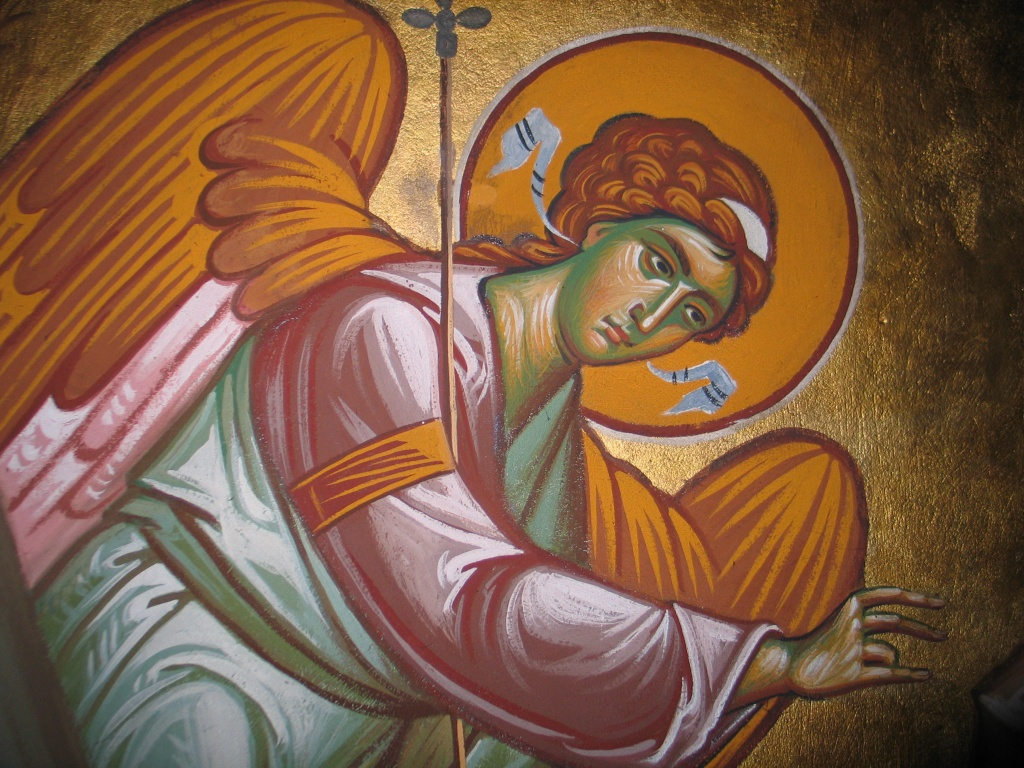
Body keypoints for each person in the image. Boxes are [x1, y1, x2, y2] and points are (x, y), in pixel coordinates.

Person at [1, 2, 944, 766]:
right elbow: (461, 596)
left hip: (340, 729)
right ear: (599, 225)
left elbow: (518, 698)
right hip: (192, 654)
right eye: (658, 262)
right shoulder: (383, 329)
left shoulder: (559, 465)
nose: (655, 317)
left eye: (693, 312)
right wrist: (762, 661)